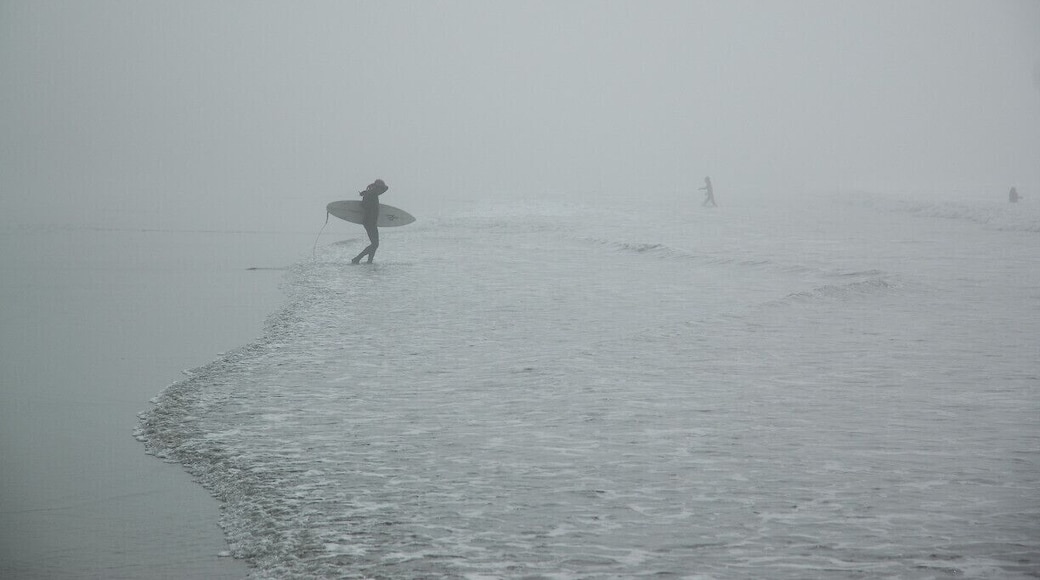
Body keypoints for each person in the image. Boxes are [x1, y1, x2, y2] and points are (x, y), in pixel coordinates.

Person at [352, 179, 388, 264]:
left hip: (372, 222)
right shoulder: (370, 195)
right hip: (369, 222)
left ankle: (369, 261)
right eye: (380, 188)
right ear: (377, 187)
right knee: (375, 244)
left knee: (375, 244)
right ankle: (357, 259)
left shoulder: (373, 193)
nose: (381, 191)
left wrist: (367, 192)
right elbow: (363, 205)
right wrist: (367, 196)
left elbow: (386, 188)